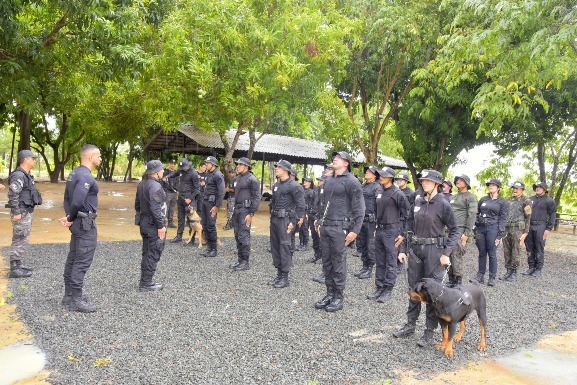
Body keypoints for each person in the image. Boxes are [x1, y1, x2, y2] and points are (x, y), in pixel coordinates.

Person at [394, 169, 459, 346]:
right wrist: (403, 249)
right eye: (423, 180)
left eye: (428, 181)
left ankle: (429, 331)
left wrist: (446, 253)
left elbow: (455, 230)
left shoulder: (443, 204)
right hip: (416, 249)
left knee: (432, 292)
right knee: (414, 289)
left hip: (434, 251)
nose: (424, 183)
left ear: (437, 184)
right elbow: (408, 226)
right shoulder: (417, 199)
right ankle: (410, 325)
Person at [314, 151, 365, 312]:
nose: (334, 159)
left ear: (346, 163)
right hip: (326, 226)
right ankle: (329, 293)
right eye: (334, 157)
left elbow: (360, 208)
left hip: (340, 228)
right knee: (327, 262)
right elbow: (322, 203)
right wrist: (318, 220)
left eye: (339, 158)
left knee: (338, 262)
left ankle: (338, 296)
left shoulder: (352, 182)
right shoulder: (329, 181)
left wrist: (355, 231)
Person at [59, 144, 101, 313]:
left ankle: (68, 295)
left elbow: (67, 199)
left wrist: (69, 216)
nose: (100, 158)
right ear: (90, 157)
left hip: (77, 221)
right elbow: (76, 201)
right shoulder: (85, 176)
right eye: (98, 156)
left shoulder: (74, 173)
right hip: (84, 223)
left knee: (74, 256)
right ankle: (75, 299)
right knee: (81, 260)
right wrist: (70, 217)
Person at [367, 167, 408, 302]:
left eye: (384, 175)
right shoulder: (379, 191)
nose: (381, 177)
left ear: (391, 178)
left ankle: (388, 289)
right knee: (379, 260)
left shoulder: (398, 194)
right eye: (380, 175)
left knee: (391, 261)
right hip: (379, 230)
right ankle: (379, 286)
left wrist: (402, 233)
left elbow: (407, 215)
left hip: (392, 232)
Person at [269, 160, 306, 288]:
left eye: (278, 167)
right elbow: (272, 203)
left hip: (286, 220)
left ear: (286, 170)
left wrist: (294, 222)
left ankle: (285, 277)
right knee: (275, 247)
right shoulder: (276, 185)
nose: (276, 169)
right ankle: (279, 274)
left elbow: (301, 206)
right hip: (275, 219)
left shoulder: (294, 186)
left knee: (284, 247)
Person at [6, 150, 42, 279]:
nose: (34, 161)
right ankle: (14, 268)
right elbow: (13, 194)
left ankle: (18, 264)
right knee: (19, 238)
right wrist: (16, 212)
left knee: (23, 238)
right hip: (21, 212)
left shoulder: (26, 175)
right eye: (32, 158)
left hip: (26, 211)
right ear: (25, 160)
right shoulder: (19, 175)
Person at [135, 160, 167, 291]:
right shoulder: (155, 186)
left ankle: (145, 280)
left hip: (145, 222)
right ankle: (146, 284)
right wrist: (161, 226)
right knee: (153, 252)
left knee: (147, 252)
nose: (163, 171)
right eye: (161, 169)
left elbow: (137, 205)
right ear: (155, 172)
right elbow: (155, 208)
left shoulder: (142, 184)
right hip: (153, 225)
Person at [474, 179, 508, 287]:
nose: (491, 186)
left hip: (493, 228)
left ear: (498, 188)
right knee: (482, 252)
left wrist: (499, 235)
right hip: (481, 228)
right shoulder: (483, 199)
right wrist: (475, 230)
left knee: (492, 253)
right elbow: (476, 213)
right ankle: (480, 275)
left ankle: (492, 277)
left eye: (493, 185)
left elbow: (503, 219)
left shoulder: (502, 202)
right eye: (489, 185)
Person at [231, 158, 261, 271]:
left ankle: (245, 262)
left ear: (246, 166)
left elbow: (257, 197)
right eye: (237, 164)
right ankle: (240, 260)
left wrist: (251, 213)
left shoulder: (252, 179)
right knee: (237, 235)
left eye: (240, 165)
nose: (237, 166)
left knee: (244, 236)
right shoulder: (238, 178)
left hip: (246, 210)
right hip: (237, 209)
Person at [447, 174, 478, 287]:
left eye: (461, 180)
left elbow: (472, 216)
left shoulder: (471, 197)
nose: (458, 181)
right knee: (448, 254)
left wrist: (466, 233)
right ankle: (451, 279)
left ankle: (458, 280)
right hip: (449, 230)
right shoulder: (453, 197)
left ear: (467, 183)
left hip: (460, 231)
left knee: (456, 254)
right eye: (457, 180)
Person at [354, 166, 382, 280]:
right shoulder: (362, 186)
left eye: (369, 172)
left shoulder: (377, 187)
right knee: (362, 244)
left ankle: (369, 268)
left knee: (370, 245)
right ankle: (364, 266)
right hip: (362, 219)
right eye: (366, 171)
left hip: (372, 221)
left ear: (375, 175)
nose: (366, 172)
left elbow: (380, 205)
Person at [501, 181, 532, 282]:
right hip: (507, 229)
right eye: (513, 188)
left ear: (522, 190)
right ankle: (508, 271)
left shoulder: (526, 201)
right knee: (506, 250)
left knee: (516, 251)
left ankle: (514, 272)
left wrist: (525, 232)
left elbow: (528, 217)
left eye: (517, 188)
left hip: (518, 229)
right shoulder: (508, 200)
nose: (514, 190)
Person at [523, 182, 556, 277]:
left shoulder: (549, 201)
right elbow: (526, 213)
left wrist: (548, 228)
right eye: (537, 187)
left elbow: (553, 214)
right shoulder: (530, 199)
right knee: (529, 247)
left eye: (540, 187)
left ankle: (538, 269)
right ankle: (531, 267)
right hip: (530, 225)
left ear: (544, 189)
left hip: (541, 225)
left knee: (539, 247)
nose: (538, 188)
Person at [167, 159, 200, 243]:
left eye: (185, 168)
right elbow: (174, 173)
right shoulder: (181, 170)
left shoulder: (193, 173)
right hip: (181, 197)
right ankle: (179, 236)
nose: (183, 169)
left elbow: (197, 189)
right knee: (180, 218)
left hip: (189, 198)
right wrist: (167, 176)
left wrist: (190, 198)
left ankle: (191, 238)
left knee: (191, 220)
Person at [199, 156, 225, 257]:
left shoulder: (218, 175)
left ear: (213, 164)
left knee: (210, 226)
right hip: (205, 202)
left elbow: (221, 191)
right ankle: (209, 248)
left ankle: (213, 249)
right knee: (204, 225)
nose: (206, 164)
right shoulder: (209, 174)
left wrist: (217, 206)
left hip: (212, 203)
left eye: (208, 163)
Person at [307, 176, 323, 264]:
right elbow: (311, 202)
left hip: (319, 216)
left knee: (320, 237)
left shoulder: (325, 191)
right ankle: (316, 255)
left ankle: (322, 256)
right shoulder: (315, 190)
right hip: (312, 215)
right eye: (318, 180)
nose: (319, 182)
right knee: (314, 236)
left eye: (321, 180)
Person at [297, 177, 315, 252]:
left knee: (304, 228)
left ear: (310, 183)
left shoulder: (311, 192)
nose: (304, 182)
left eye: (307, 181)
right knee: (300, 228)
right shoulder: (302, 190)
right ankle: (301, 243)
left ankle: (305, 244)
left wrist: (308, 213)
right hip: (300, 211)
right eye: (304, 180)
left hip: (306, 212)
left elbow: (311, 203)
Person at [162, 159, 178, 228]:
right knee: (166, 208)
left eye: (174, 164)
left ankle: (170, 222)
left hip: (174, 193)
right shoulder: (165, 172)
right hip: (167, 192)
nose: (173, 165)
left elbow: (178, 182)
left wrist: (177, 189)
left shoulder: (176, 173)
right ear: (169, 164)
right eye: (171, 163)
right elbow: (162, 182)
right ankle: (163, 223)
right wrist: (164, 191)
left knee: (172, 208)